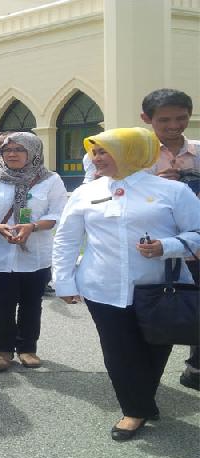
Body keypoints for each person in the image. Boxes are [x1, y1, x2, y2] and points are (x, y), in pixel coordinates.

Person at [53, 127, 200, 441]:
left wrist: (167, 247)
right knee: (119, 352)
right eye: (94, 151)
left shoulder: (173, 191)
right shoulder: (85, 192)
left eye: (104, 151)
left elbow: (197, 233)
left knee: (155, 347)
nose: (96, 158)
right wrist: (63, 282)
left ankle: (142, 399)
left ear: (131, 152)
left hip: (159, 288)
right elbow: (66, 239)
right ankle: (134, 410)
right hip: (101, 287)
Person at [0, 132, 67, 371]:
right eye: (6, 149)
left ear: (33, 152)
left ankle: (27, 348)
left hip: (36, 253)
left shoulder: (50, 180)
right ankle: (2, 350)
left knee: (32, 303)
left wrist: (32, 226)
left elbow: (58, 213)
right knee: (3, 303)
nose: (11, 154)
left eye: (19, 149)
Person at [140, 88, 200, 391]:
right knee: (152, 310)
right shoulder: (137, 154)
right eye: (164, 120)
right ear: (146, 118)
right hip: (153, 249)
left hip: (196, 246)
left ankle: (196, 368)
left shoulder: (199, 151)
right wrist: (154, 185)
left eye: (181, 118)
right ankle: (142, 377)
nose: (174, 126)